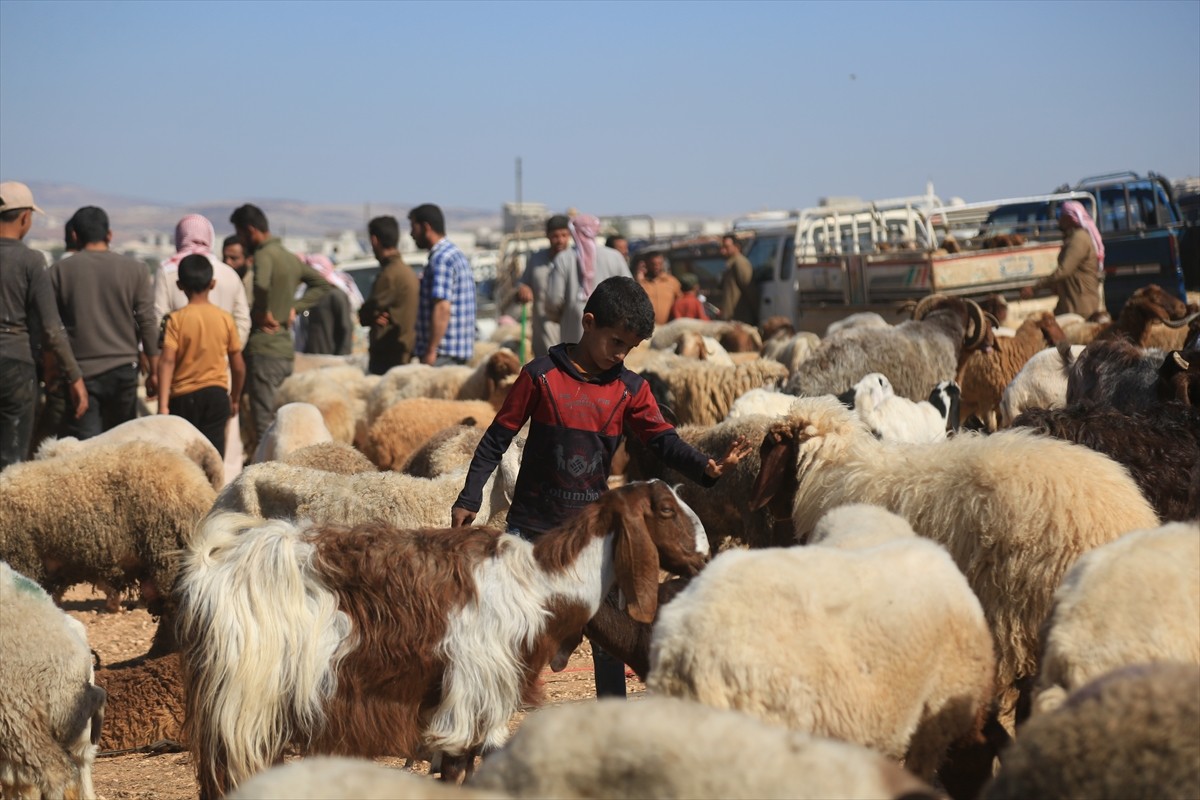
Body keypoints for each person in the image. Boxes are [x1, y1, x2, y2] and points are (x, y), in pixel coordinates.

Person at [450, 276, 751, 698]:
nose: (621, 355)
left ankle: (612, 711)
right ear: (588, 323)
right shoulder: (540, 377)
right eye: (615, 342)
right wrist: (470, 496)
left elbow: (663, 439)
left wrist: (706, 466)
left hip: (593, 533)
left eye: (629, 348)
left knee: (610, 635)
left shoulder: (629, 389)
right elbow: (496, 439)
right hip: (531, 529)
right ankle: (486, 714)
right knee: (506, 624)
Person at [154, 215, 251, 476]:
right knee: (219, 455)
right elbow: (244, 321)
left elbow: (158, 329)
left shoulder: (168, 272)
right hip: (220, 378)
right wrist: (223, 347)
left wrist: (162, 403)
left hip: (180, 383)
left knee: (182, 456)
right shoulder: (228, 275)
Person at [51, 206, 159, 439]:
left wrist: (63, 373)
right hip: (124, 371)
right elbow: (147, 321)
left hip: (81, 374)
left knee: (87, 453)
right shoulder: (136, 270)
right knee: (121, 448)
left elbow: (53, 330)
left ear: (74, 236)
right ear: (109, 235)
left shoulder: (59, 272)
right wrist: (154, 369)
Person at [0, 181, 87, 468]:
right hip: (15, 369)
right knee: (11, 460)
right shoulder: (31, 260)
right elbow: (51, 328)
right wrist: (73, 377)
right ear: (25, 217)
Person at [230, 203, 331, 443]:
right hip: (285, 350)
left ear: (251, 230)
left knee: (264, 422)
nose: (241, 241)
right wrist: (294, 308)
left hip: (264, 349)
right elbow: (322, 284)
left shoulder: (264, 255)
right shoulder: (288, 257)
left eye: (242, 235)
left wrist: (261, 312)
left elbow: (262, 284)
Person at [545, 213, 632, 345]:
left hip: (574, 333)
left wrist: (563, 317)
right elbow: (630, 292)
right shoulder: (615, 257)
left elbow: (554, 300)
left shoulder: (563, 258)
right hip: (611, 332)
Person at [409, 203, 476, 366]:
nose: (411, 234)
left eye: (414, 228)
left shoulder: (441, 259)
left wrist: (431, 350)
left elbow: (442, 307)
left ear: (426, 227)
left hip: (443, 354)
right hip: (454, 352)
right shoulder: (454, 253)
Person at [1019, 200, 1105, 318]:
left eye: (1061, 216)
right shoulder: (1073, 238)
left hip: (1080, 306)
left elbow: (1064, 270)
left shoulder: (1079, 239)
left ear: (1069, 218)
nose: (1059, 220)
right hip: (1070, 303)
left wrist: (1035, 287)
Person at [360, 215, 419, 375]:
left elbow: (366, 314)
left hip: (388, 357)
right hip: (403, 353)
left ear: (374, 240)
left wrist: (370, 315)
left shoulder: (389, 275)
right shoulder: (406, 272)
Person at [515, 214, 571, 358]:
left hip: (570, 330)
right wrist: (524, 288)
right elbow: (523, 282)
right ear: (547, 236)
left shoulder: (575, 260)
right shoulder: (536, 259)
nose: (560, 240)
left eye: (564, 235)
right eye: (555, 236)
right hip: (543, 330)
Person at [296, 254, 360, 356]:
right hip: (309, 356)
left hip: (330, 358)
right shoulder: (306, 296)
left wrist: (341, 358)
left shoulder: (336, 295)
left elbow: (346, 329)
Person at [719, 233, 758, 324]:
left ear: (736, 247)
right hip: (731, 319)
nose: (723, 251)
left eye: (726, 247)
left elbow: (750, 289)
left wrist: (756, 314)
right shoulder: (730, 264)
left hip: (740, 319)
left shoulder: (740, 263)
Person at [638, 252, 682, 325]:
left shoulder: (672, 281)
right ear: (647, 264)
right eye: (653, 264)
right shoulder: (641, 283)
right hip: (647, 328)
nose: (657, 267)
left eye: (659, 264)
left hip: (668, 328)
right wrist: (639, 278)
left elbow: (680, 302)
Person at [221, 234, 254, 305]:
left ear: (249, 261)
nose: (228, 262)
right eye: (225, 257)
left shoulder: (254, 285)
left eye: (233, 258)